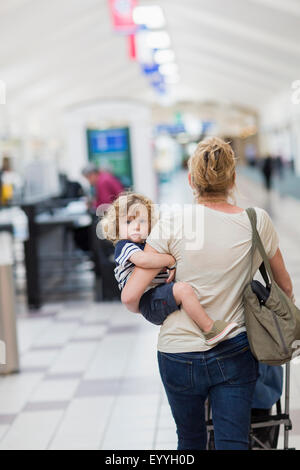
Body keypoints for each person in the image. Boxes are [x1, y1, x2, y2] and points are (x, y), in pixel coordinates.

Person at [121, 137, 294, 450]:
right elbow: (285, 288)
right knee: (233, 442)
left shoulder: (171, 223)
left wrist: (163, 294)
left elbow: (131, 297)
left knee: (190, 440)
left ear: (191, 180)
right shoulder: (256, 221)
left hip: (176, 353)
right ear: (233, 179)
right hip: (235, 350)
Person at [100, 191, 238, 344]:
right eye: (128, 222)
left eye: (142, 221)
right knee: (183, 290)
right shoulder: (124, 246)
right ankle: (210, 329)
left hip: (156, 296)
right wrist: (169, 260)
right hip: (148, 301)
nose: (136, 226)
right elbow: (143, 260)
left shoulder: (148, 244)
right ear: (117, 227)